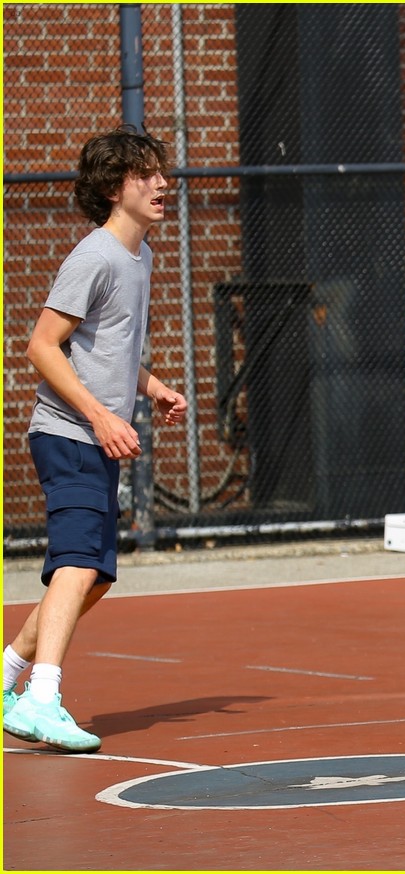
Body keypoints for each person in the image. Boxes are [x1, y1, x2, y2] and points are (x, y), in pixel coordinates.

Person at [2, 126, 187, 752]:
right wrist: (102, 417)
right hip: (69, 435)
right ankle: (41, 699)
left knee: (95, 577)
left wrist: (151, 385)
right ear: (114, 187)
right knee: (76, 566)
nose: (161, 183)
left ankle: (7, 679)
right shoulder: (95, 257)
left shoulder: (140, 258)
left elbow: (107, 349)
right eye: (145, 174)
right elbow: (41, 346)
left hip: (93, 437)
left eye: (162, 171)